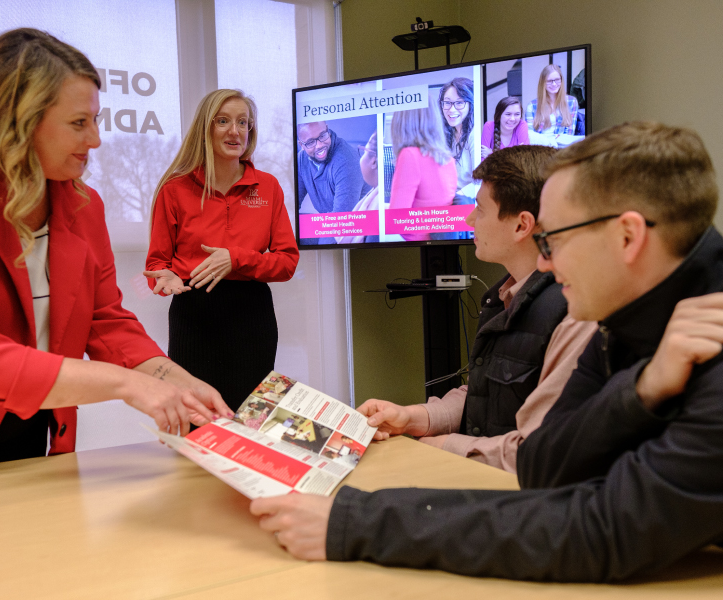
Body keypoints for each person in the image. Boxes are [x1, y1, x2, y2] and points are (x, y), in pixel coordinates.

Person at [250, 121, 723, 582]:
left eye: (553, 240)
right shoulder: (627, 317)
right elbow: (543, 466)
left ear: (627, 237)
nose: (543, 262)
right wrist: (638, 391)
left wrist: (360, 523)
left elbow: (607, 530)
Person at [0, 28, 230, 473]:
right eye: (78, 123)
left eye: (95, 120)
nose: (96, 140)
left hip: (31, 435)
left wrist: (182, 385)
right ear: (18, 121)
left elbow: (106, 323)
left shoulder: (83, 206)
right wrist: (126, 385)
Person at [361, 145, 596, 473]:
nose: (470, 218)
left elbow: (539, 450)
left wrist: (443, 447)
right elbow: (488, 393)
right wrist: (415, 418)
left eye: (480, 210)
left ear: (521, 225)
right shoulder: (504, 296)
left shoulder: (575, 312)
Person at [145, 89, 299, 414]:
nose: (235, 131)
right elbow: (156, 263)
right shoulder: (174, 189)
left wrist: (236, 259)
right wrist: (167, 278)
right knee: (197, 420)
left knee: (249, 420)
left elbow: (287, 262)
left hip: (251, 316)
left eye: (243, 122)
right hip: (193, 313)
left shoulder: (268, 187)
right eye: (223, 121)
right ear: (206, 128)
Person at [388, 99, 458, 241]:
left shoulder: (409, 155)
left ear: (401, 122)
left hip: (413, 248)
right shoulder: (449, 160)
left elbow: (395, 221)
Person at [296, 120, 370, 216]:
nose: (319, 145)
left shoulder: (347, 161)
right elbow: (292, 206)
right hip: (331, 225)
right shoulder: (302, 159)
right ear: (302, 145)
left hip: (358, 226)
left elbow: (341, 218)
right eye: (310, 142)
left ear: (327, 130)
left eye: (322, 135)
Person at [438, 77, 476, 201]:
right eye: (447, 103)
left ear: (471, 104)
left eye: (459, 103)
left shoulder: (474, 134)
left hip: (468, 201)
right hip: (449, 200)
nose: (451, 109)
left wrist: (453, 199)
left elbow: (479, 182)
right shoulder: (444, 133)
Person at [525, 64, 579, 136]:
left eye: (557, 80)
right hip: (540, 145)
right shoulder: (531, 106)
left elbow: (569, 133)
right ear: (543, 83)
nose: (554, 84)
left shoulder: (572, 101)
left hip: (563, 145)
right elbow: (530, 135)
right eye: (549, 81)